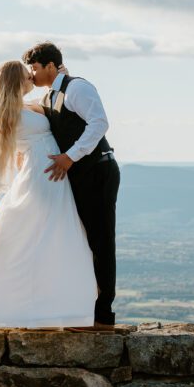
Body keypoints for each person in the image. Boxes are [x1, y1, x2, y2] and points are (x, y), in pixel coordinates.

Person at [0, 60, 97, 329]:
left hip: (50, 172)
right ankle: (4, 304)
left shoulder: (24, 105)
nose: (31, 79)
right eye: (26, 76)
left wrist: (60, 78)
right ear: (13, 81)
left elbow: (44, 101)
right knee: (32, 235)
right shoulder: (3, 113)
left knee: (51, 235)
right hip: (40, 174)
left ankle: (55, 308)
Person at [24, 41, 120, 332]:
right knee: (83, 242)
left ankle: (104, 317)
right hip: (80, 176)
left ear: (51, 66)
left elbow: (99, 123)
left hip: (98, 171)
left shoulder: (77, 88)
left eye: (35, 68)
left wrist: (69, 157)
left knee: (101, 242)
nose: (32, 74)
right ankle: (83, 310)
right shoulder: (50, 95)